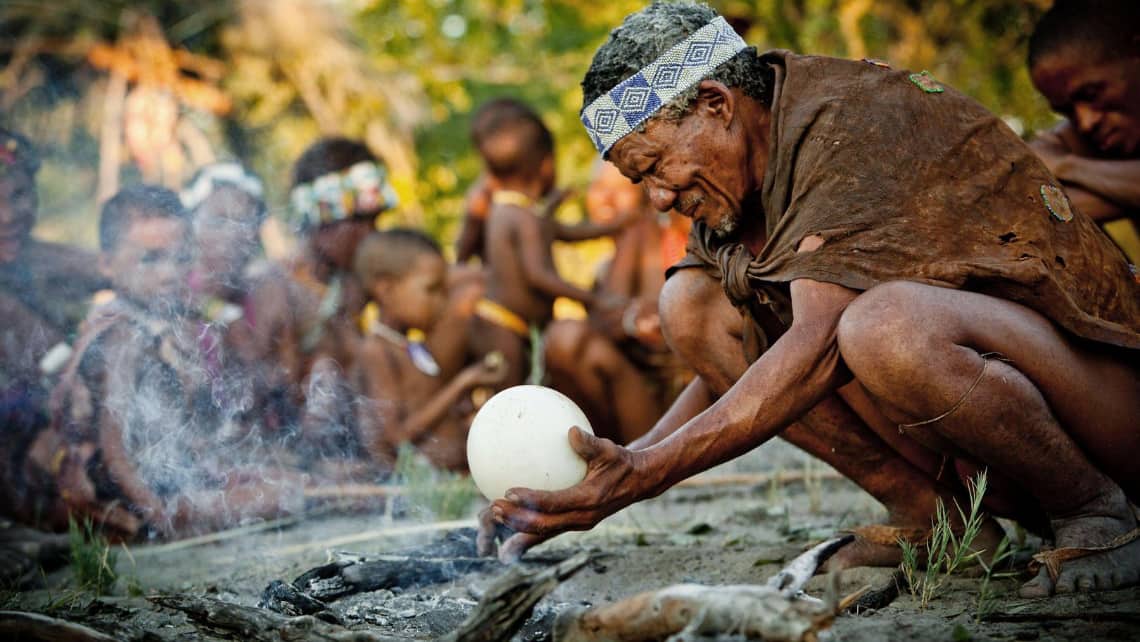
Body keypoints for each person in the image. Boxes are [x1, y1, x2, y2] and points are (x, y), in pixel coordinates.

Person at [483, 3, 1140, 600]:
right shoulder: (739, 174)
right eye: (639, 179)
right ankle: (933, 521)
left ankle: (1096, 511)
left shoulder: (845, 121)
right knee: (691, 303)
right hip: (1018, 429)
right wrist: (609, 474)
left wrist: (645, 472)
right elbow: (734, 365)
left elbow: (813, 348)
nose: (655, 197)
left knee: (884, 328)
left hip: (1114, 408)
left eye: (656, 167)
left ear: (716, 103)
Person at [27, 185, 301, 540]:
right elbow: (115, 450)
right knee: (279, 497)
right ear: (107, 264)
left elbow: (181, 427)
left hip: (167, 475)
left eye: (181, 257)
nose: (170, 273)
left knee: (280, 482)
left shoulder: (168, 323)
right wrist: (159, 515)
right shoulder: (121, 332)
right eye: (151, 259)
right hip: (121, 493)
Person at [0, 127, 103, 583]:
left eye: (18, 196)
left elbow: (121, 268)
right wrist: (62, 365)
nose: (6, 215)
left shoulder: (45, 260)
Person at [468, 98, 626, 388]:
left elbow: (565, 233)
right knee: (513, 399)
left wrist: (615, 226)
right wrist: (593, 299)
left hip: (508, 324)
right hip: (505, 326)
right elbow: (538, 275)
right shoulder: (523, 217)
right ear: (545, 165)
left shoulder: (511, 211)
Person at [544, 160, 692, 444]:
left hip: (669, 402)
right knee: (565, 339)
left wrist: (630, 321)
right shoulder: (608, 259)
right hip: (637, 396)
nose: (606, 199)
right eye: (599, 188)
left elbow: (642, 321)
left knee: (567, 338)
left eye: (620, 190)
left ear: (644, 196)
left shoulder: (648, 232)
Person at [352, 229, 504, 471]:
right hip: (419, 489)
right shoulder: (377, 351)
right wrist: (461, 384)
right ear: (386, 290)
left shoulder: (412, 348)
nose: (442, 303)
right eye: (432, 290)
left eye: (444, 292)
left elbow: (425, 407)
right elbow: (396, 437)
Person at [1027, 0, 1140, 262]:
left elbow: (1059, 206)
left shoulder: (1068, 157)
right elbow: (1033, 207)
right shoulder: (1081, 138)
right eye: (1065, 110)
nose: (1086, 122)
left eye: (1092, 94)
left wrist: (1067, 167)